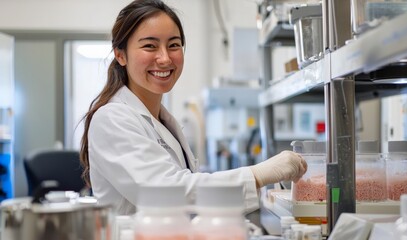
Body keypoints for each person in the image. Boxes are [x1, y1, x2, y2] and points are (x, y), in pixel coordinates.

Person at [80, 0, 307, 215]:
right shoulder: (111, 118)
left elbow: (188, 192)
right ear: (120, 55)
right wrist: (257, 175)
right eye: (150, 46)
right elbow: (162, 192)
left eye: (174, 45)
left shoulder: (164, 122)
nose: (165, 58)